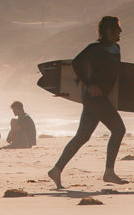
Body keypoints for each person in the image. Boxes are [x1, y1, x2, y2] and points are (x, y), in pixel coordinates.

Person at [47, 16, 128, 188]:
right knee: (119, 129)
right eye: (116, 28)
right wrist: (89, 85)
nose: (120, 31)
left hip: (102, 98)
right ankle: (109, 172)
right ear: (108, 30)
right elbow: (76, 64)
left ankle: (56, 170)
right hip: (94, 98)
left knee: (82, 136)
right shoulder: (95, 48)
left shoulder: (116, 48)